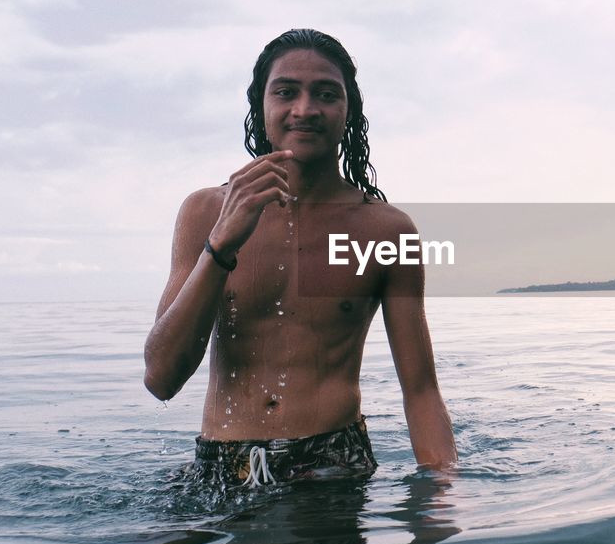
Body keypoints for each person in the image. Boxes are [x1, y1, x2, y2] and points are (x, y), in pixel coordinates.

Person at [143, 29, 456, 486]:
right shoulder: (206, 212)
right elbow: (161, 379)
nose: (305, 109)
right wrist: (221, 246)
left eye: (326, 94)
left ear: (348, 111)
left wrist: (445, 491)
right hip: (220, 465)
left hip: (332, 465)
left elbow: (422, 390)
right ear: (261, 106)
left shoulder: (386, 230)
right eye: (286, 92)